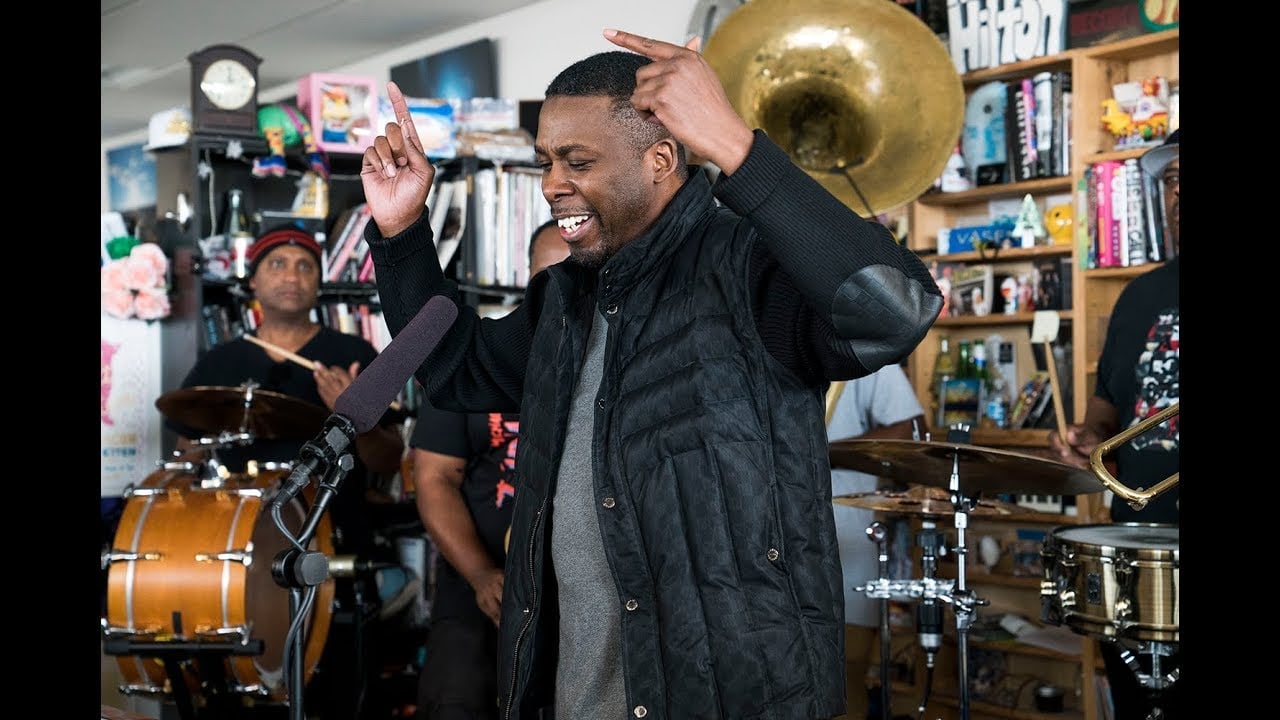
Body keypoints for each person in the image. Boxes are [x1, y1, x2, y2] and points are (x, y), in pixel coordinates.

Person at [361, 29, 943, 720]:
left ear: (662, 158)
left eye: (577, 160)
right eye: (547, 160)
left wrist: (736, 147)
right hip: (577, 694)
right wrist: (402, 236)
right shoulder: (566, 298)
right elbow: (453, 373)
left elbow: (897, 310)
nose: (552, 184)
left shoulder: (750, 268)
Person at [166, 226, 405, 718]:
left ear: (319, 282)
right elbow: (188, 451)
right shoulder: (221, 362)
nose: (291, 276)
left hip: (333, 539)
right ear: (252, 281)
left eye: (305, 266)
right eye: (276, 264)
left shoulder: (352, 355)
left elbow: (388, 460)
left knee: (337, 687)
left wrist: (354, 412)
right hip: (238, 548)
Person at [411, 219, 569, 720]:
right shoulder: (483, 354)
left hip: (581, 588)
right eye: (550, 274)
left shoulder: (620, 359)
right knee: (458, 700)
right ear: (528, 277)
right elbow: (434, 479)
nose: (566, 287)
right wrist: (480, 574)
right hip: (478, 578)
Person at [1048, 129, 1179, 720]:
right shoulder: (1138, 298)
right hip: (1141, 554)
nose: (1178, 195)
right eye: (1173, 182)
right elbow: (1107, 409)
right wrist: (1087, 441)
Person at [826, 364, 927, 720]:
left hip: (845, 543)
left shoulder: (855, 345)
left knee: (841, 684)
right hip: (764, 547)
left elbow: (910, 429)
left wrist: (816, 450)